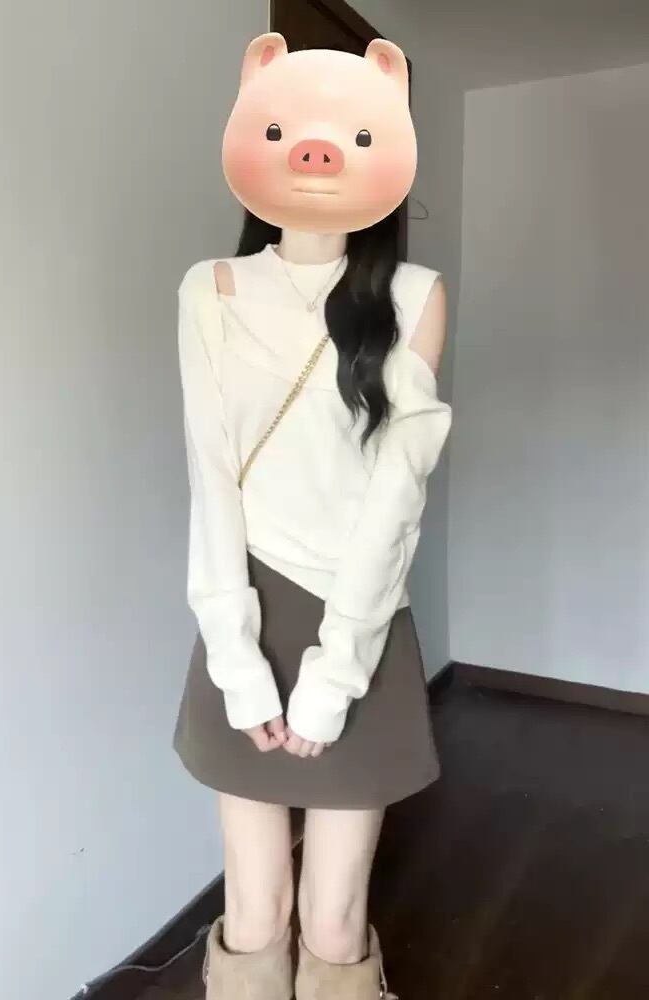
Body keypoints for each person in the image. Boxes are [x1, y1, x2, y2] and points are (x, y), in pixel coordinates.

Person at [173, 32, 452, 1000]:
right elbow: (211, 478)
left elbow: (396, 500)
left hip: (358, 621)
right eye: (285, 128)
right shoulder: (210, 288)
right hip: (246, 612)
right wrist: (237, 662)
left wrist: (336, 675)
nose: (316, 152)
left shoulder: (413, 296)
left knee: (334, 922)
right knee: (255, 914)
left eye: (354, 134)